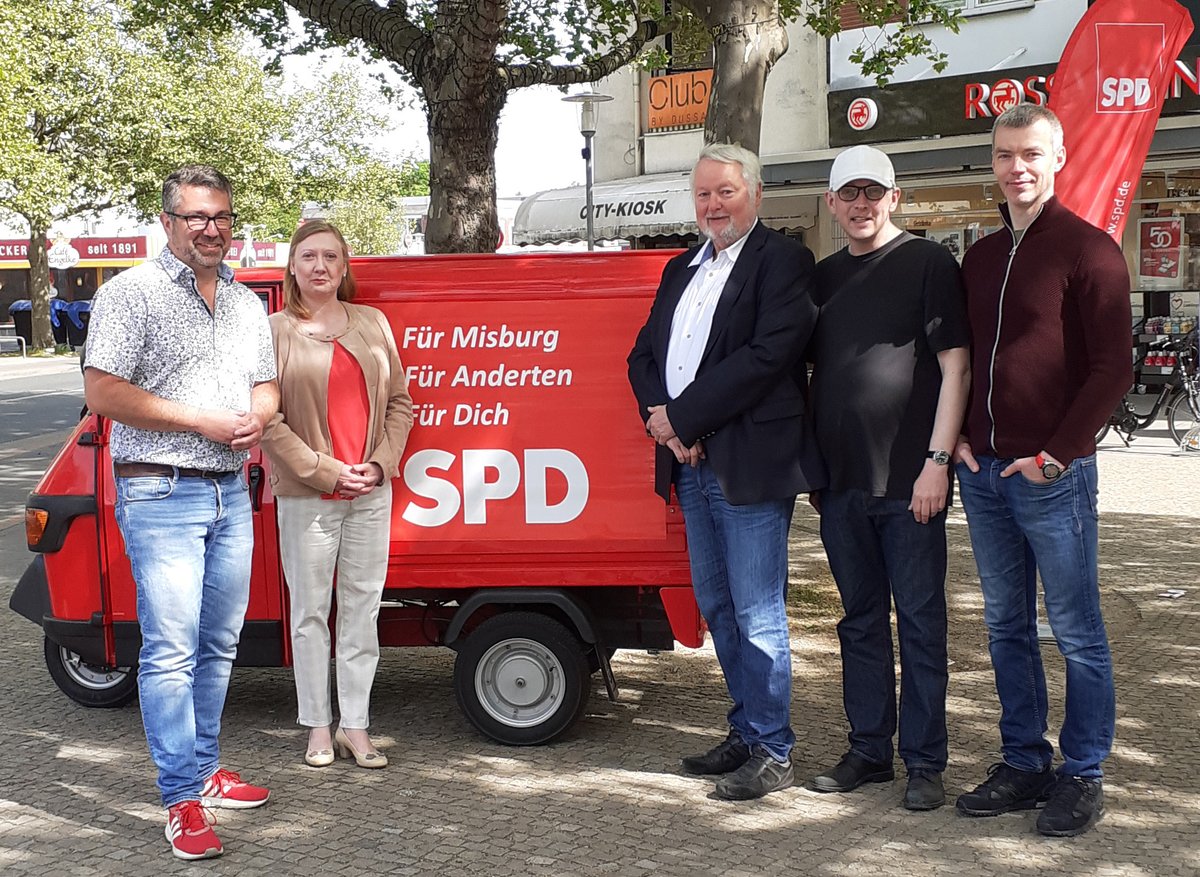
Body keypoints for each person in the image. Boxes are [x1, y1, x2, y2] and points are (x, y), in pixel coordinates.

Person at [83, 165, 279, 861]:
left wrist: (257, 419)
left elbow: (265, 386)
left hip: (231, 490)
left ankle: (205, 767)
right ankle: (180, 801)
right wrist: (200, 421)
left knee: (220, 643)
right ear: (167, 223)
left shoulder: (243, 302)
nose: (211, 229)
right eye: (196, 217)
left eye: (221, 216)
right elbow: (102, 391)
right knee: (170, 650)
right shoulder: (130, 294)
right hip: (161, 490)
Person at [952, 104, 1132, 837]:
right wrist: (961, 439)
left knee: (1077, 632)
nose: (1016, 167)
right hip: (985, 474)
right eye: (1003, 155)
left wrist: (1057, 452)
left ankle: (1083, 772)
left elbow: (1112, 370)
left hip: (1054, 478)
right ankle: (1024, 761)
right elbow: (967, 360)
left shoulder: (1090, 251)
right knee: (1005, 628)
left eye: (1029, 153)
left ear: (1057, 157)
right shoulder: (982, 256)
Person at [627, 143, 824, 801]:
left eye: (726, 192)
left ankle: (773, 750)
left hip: (747, 464)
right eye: (704, 194)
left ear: (757, 194)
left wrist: (684, 420)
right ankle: (746, 729)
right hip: (687, 465)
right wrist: (661, 417)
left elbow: (768, 357)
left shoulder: (785, 261)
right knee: (718, 607)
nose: (713, 205)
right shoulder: (681, 267)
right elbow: (643, 353)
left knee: (758, 612)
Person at [805, 145, 970, 811]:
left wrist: (937, 462)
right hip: (841, 486)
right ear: (833, 203)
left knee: (922, 622)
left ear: (895, 198)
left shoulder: (929, 264)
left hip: (911, 484)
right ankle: (870, 749)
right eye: (851, 194)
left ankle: (926, 760)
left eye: (874, 192)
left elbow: (954, 368)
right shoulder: (821, 279)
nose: (862, 204)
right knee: (861, 621)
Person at [260, 220, 413, 771]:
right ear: (293, 267)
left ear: (344, 266)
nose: (319, 266)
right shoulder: (272, 329)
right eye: (308, 257)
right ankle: (317, 728)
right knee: (309, 615)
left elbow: (400, 402)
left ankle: (356, 726)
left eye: (329, 256)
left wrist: (378, 465)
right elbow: (266, 420)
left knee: (361, 613)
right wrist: (325, 471)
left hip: (371, 492)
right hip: (307, 497)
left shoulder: (372, 323)